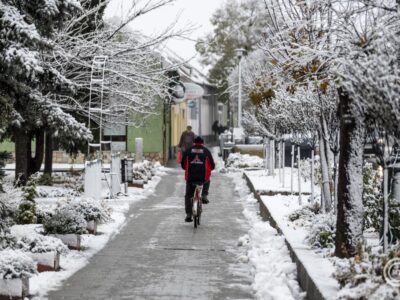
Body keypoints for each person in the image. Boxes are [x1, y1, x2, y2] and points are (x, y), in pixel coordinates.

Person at [181, 136, 215, 222]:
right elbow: (212, 165)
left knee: (188, 195)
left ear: (194, 142)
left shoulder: (188, 151)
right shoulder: (206, 151)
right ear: (202, 143)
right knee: (207, 180)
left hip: (190, 178)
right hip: (202, 178)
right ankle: (204, 194)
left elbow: (183, 164)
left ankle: (189, 214)